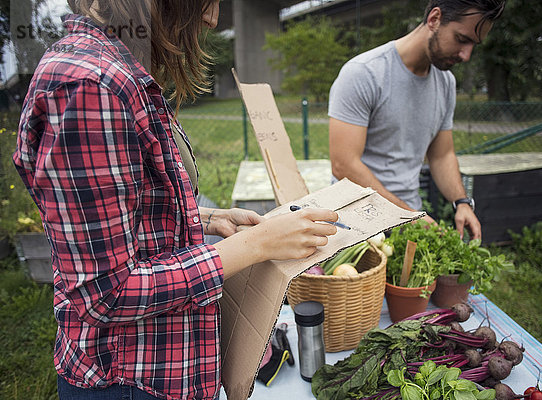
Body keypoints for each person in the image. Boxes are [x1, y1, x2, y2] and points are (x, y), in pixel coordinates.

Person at [12, 1, 339, 399]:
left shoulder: (116, 68)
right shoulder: (90, 87)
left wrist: (208, 219)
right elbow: (106, 293)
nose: (212, 18)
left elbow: (122, 218)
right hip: (131, 381)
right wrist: (256, 245)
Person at [328, 0, 506, 240]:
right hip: (356, 222)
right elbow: (344, 165)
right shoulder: (364, 73)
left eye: (474, 44)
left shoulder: (446, 84)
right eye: (461, 39)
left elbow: (442, 155)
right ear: (434, 19)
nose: (466, 55)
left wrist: (461, 202)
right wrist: (407, 216)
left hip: (409, 217)